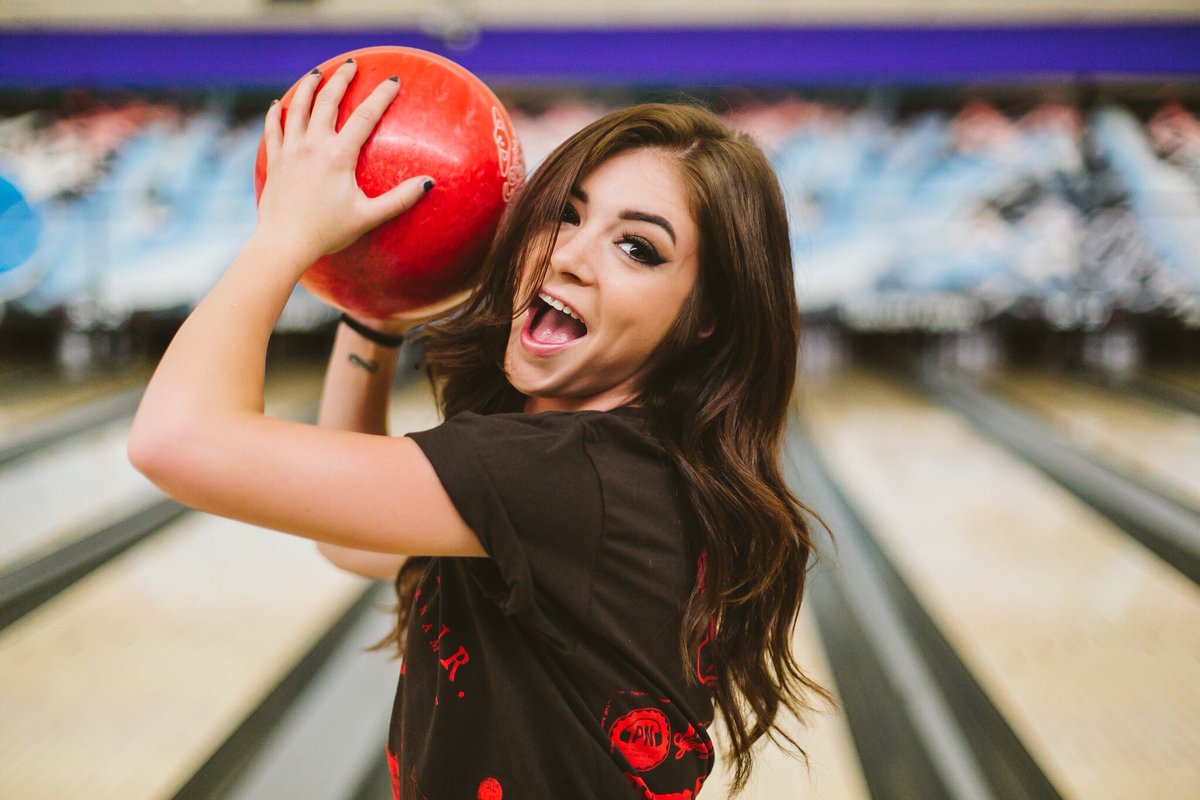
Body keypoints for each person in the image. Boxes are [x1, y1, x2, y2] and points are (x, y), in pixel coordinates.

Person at [128, 59, 830, 799]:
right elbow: (355, 540)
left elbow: (175, 439)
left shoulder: (566, 477)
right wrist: (375, 305)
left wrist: (281, 239)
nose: (570, 255)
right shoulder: (622, 469)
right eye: (566, 212)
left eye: (637, 248)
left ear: (705, 317)